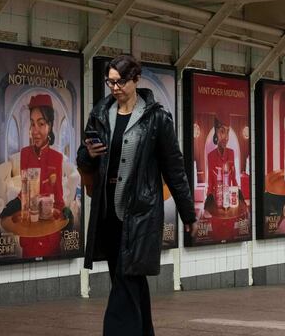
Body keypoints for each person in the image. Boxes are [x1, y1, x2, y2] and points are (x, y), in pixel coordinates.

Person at [77, 55, 197, 336]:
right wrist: (89, 153)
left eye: (120, 81)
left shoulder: (156, 118)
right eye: (110, 81)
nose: (114, 87)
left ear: (135, 80)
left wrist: (187, 212)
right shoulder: (101, 112)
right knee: (130, 280)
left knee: (125, 281)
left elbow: (174, 168)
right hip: (108, 213)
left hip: (140, 215)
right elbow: (83, 156)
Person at [17, 94, 66, 258]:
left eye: (41, 124)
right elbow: (24, 193)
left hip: (49, 238)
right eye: (32, 124)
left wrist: (64, 213)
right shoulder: (24, 154)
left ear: (50, 126)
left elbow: (59, 200)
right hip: (29, 237)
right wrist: (13, 204)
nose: (35, 131)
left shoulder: (57, 158)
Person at [207, 115, 238, 190]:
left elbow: (234, 179)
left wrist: (238, 195)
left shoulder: (231, 153)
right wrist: (209, 198)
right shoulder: (211, 155)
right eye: (222, 131)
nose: (226, 137)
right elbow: (210, 183)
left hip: (229, 196)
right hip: (216, 197)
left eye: (228, 132)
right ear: (216, 132)